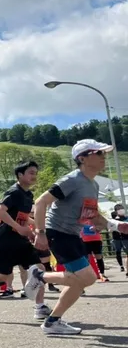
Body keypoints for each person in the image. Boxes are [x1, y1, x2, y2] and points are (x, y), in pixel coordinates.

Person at [26, 139, 128, 335]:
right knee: (87, 277)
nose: (103, 157)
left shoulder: (93, 185)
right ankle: (39, 275)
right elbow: (40, 202)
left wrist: (116, 225)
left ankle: (52, 322)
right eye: (98, 153)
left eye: (103, 153)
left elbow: (92, 216)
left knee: (79, 281)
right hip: (58, 232)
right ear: (82, 158)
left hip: (73, 235)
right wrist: (40, 233)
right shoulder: (72, 180)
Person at [0, 161, 49, 317]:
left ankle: (40, 307)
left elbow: (23, 218)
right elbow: (0, 212)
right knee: (3, 275)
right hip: (5, 239)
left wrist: (33, 231)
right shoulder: (13, 192)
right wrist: (20, 228)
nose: (34, 176)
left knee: (39, 268)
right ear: (20, 175)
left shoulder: (29, 195)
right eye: (31, 172)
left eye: (35, 173)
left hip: (21, 239)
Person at [111, 204, 128, 275]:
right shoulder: (113, 218)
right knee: (118, 252)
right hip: (116, 238)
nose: (121, 210)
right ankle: (121, 266)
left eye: (121, 208)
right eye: (119, 209)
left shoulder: (126, 217)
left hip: (126, 237)